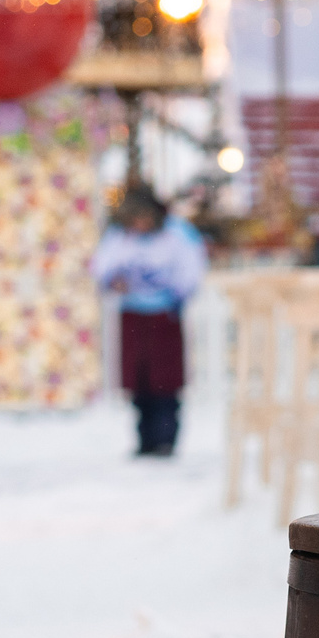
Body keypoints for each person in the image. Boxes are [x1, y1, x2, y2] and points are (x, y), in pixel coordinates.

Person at [92, 187, 206, 458]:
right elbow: (102, 266)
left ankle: (166, 439)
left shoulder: (178, 235)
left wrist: (174, 294)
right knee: (139, 381)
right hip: (133, 315)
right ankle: (145, 440)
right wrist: (112, 281)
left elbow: (192, 270)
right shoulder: (119, 237)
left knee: (165, 382)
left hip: (164, 315)